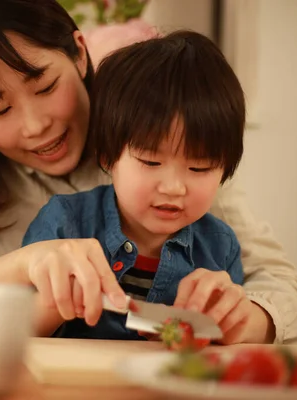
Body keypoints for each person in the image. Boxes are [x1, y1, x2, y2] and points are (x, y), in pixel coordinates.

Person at [0, 0, 297, 344]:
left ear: (79, 52)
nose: (34, 125)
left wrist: (246, 319)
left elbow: (283, 288)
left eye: (45, 87)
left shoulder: (165, 142)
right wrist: (23, 264)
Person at [22, 30, 246, 340]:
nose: (173, 188)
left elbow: (224, 348)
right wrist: (62, 300)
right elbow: (13, 334)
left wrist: (213, 328)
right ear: (108, 155)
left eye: (200, 167)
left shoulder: (219, 247)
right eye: (151, 162)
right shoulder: (64, 224)